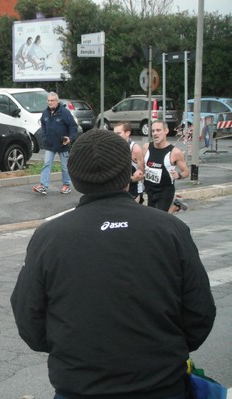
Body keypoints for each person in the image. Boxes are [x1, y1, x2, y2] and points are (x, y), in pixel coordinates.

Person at [12, 129, 216, 399]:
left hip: (80, 387)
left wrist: (72, 352)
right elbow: (199, 313)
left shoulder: (49, 237)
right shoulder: (169, 230)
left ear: (75, 177)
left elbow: (29, 319)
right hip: (162, 385)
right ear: (127, 173)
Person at [33, 92, 77, 195]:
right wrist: (44, 137)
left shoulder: (65, 113)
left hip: (63, 145)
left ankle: (66, 185)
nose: (50, 102)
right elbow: (43, 125)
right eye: (48, 100)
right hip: (49, 145)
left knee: (64, 166)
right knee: (47, 164)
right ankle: (43, 186)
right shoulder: (45, 113)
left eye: (52, 100)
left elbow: (73, 127)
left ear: (57, 101)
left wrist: (70, 138)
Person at [143, 120, 189, 213]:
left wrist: (179, 175)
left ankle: (173, 207)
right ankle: (175, 206)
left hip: (165, 190)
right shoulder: (146, 147)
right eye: (153, 131)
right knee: (155, 217)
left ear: (166, 131)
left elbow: (186, 172)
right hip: (150, 189)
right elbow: (141, 167)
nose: (155, 133)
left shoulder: (174, 152)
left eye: (158, 130)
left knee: (158, 219)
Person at [113, 121, 144, 203]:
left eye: (118, 133)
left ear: (127, 133)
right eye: (114, 134)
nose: (115, 136)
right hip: (118, 190)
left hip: (133, 191)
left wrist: (130, 179)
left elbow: (142, 174)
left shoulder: (135, 149)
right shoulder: (114, 147)